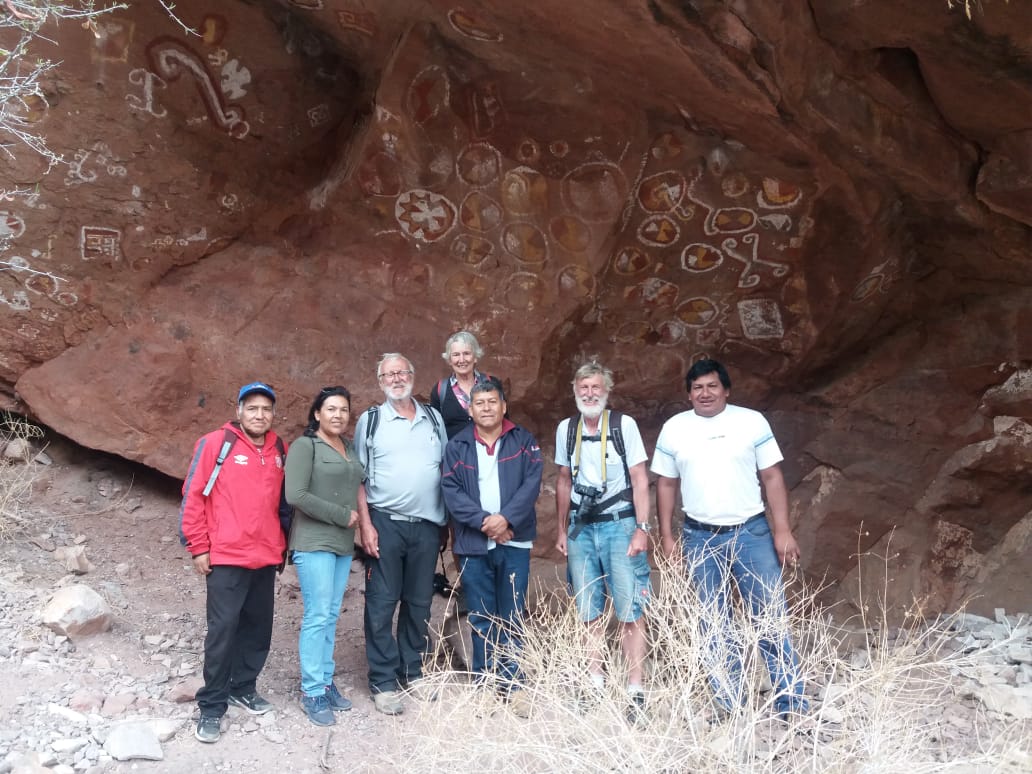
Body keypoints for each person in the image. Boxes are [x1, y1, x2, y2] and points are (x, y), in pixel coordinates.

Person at [652, 358, 808, 718]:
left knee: (769, 616)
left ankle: (790, 700)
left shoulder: (750, 421)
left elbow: (771, 477)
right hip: (699, 536)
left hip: (750, 532)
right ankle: (730, 703)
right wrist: (666, 535)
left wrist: (782, 530)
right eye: (697, 388)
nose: (704, 393)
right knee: (712, 622)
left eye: (711, 386)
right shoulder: (675, 428)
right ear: (688, 394)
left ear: (726, 390)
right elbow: (666, 484)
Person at [179, 382, 287, 744]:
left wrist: (282, 546)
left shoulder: (278, 449)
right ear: (239, 410)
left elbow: (281, 504)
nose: (259, 415)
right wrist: (198, 546)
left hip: (265, 555)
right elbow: (193, 495)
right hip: (226, 555)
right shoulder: (216, 444)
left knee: (258, 628)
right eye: (252, 408)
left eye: (266, 409)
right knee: (223, 630)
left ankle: (243, 687)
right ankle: (211, 705)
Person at [554, 361, 652, 723]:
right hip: (582, 526)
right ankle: (594, 681)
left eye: (596, 387)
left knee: (630, 609)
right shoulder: (567, 429)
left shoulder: (623, 426)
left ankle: (635, 688)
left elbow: (640, 477)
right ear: (575, 391)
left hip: (619, 524)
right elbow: (564, 480)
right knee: (588, 610)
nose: (589, 394)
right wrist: (562, 528)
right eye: (583, 388)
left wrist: (643, 528)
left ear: (606, 391)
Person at [441, 379, 542, 716]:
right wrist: (486, 521)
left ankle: (514, 686)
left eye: (492, 401)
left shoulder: (523, 440)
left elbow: (531, 484)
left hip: (515, 539)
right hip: (474, 542)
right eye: (479, 402)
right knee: (482, 616)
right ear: (470, 409)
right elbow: (452, 491)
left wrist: (506, 520)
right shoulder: (457, 445)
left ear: (504, 406)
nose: (486, 408)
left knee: (512, 615)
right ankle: (484, 685)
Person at [354, 353, 447, 715]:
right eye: (389, 374)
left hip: (426, 525)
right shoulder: (371, 420)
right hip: (386, 522)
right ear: (380, 382)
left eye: (402, 372)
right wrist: (365, 525)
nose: (396, 378)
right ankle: (383, 680)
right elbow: (357, 477)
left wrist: (445, 524)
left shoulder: (433, 419)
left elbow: (445, 472)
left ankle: (414, 671)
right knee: (382, 601)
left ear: (413, 375)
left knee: (419, 602)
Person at [284, 386, 366, 726]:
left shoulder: (347, 447)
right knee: (317, 614)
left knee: (331, 614)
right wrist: (341, 515)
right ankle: (311, 690)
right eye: (331, 409)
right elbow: (295, 494)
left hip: (341, 545)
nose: (338, 415)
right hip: (313, 540)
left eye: (344, 410)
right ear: (317, 413)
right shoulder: (306, 446)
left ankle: (325, 679)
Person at [429, 330, 494, 439]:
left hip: (489, 453)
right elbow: (435, 430)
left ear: (475, 357)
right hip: (455, 455)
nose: (461, 360)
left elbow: (504, 422)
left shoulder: (491, 383)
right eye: (456, 355)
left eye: (466, 353)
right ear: (449, 360)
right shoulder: (440, 390)